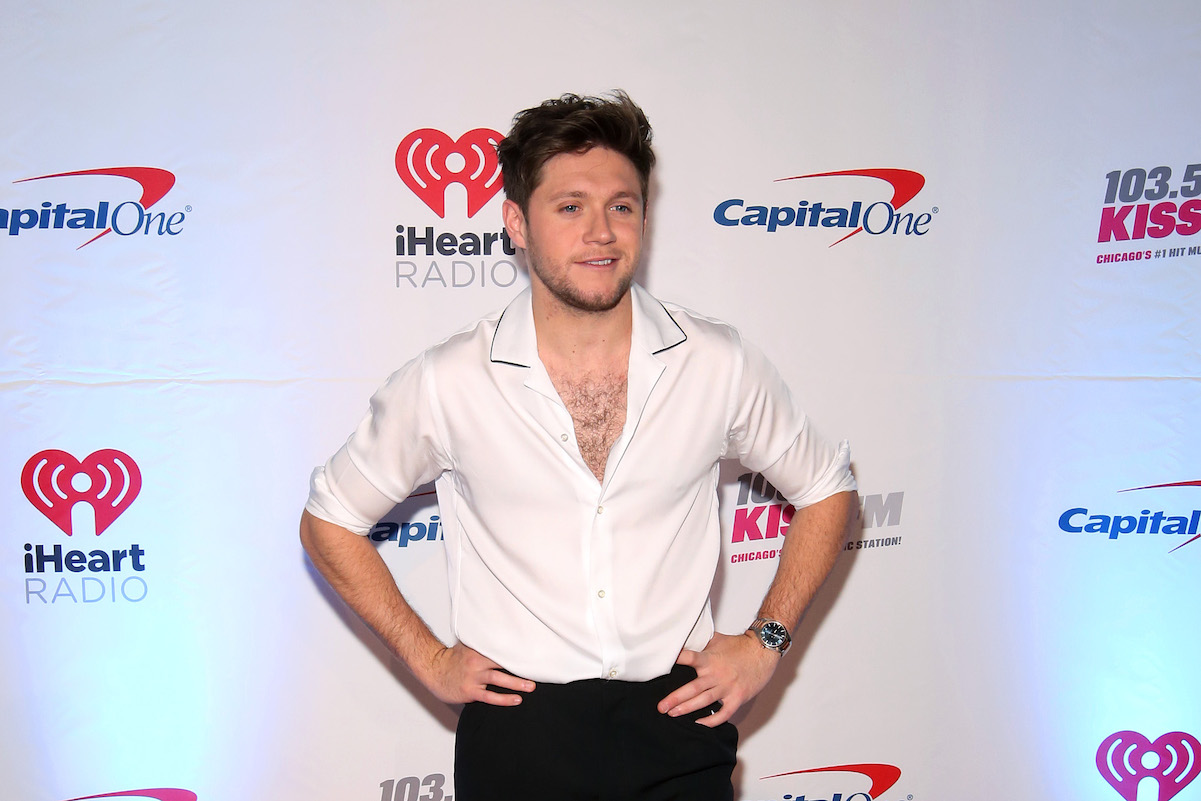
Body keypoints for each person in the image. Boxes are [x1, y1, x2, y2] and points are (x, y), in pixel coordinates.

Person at [300, 91, 857, 801]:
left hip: (677, 722)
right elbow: (329, 520)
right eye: (570, 207)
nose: (600, 232)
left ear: (644, 218)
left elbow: (827, 487)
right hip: (519, 732)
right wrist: (429, 658)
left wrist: (765, 642)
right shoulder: (449, 379)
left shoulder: (716, 362)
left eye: (621, 206)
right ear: (516, 223)